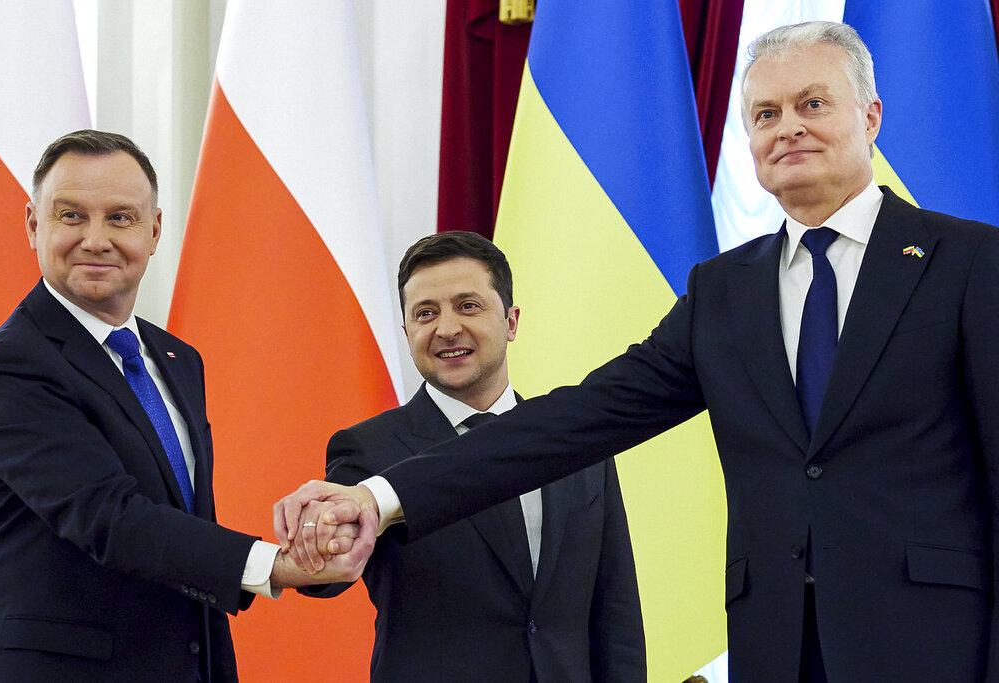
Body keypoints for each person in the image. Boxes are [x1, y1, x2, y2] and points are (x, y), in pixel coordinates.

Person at [276, 21, 999, 682]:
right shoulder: (725, 292)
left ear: (870, 116)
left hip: (937, 646)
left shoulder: (969, 263)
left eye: (813, 104)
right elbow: (576, 419)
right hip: (777, 649)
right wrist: (379, 495)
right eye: (765, 114)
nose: (788, 128)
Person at [0, 130, 373, 682]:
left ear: (154, 231)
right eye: (71, 216)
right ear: (32, 224)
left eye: (120, 218)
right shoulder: (9, 366)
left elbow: (185, 521)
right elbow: (110, 518)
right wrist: (276, 565)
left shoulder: (176, 359)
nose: (96, 239)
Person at [291, 232, 645, 682]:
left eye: (468, 306)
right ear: (407, 333)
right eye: (425, 313)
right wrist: (318, 539)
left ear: (511, 322)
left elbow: (616, 612)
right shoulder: (368, 448)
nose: (446, 329)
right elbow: (327, 573)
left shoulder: (575, 437)